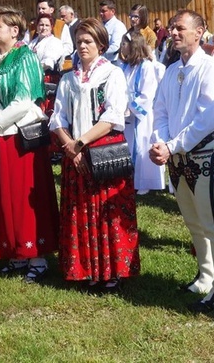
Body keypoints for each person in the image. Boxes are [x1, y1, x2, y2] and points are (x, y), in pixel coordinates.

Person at [0, 6, 59, 283]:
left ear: (14, 30)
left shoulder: (25, 57)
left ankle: (36, 255)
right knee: (1, 197)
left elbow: (23, 102)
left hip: (18, 139)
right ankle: (13, 251)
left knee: (23, 199)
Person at [150, 9, 214, 312]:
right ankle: (205, 275)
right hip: (176, 158)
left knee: (212, 222)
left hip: (202, 156)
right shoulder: (171, 70)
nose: (173, 33)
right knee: (193, 222)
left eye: (180, 28)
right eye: (172, 28)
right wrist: (161, 143)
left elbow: (209, 117)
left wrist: (171, 145)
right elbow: (159, 110)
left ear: (199, 32)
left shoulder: (210, 66)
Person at [51, 18, 140, 292]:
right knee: (80, 210)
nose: (82, 46)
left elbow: (113, 115)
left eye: (88, 41)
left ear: (101, 44)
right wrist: (70, 146)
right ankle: (86, 268)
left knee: (106, 210)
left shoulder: (112, 74)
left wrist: (80, 143)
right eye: (78, 42)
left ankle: (111, 270)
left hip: (103, 150)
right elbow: (57, 118)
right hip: (75, 151)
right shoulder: (68, 78)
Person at [119, 32, 165, 194]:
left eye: (124, 44)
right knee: (128, 145)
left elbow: (147, 94)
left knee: (141, 146)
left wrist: (130, 105)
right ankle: (129, 179)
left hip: (140, 116)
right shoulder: (124, 66)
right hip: (126, 115)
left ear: (133, 46)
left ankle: (144, 182)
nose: (121, 47)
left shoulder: (146, 66)